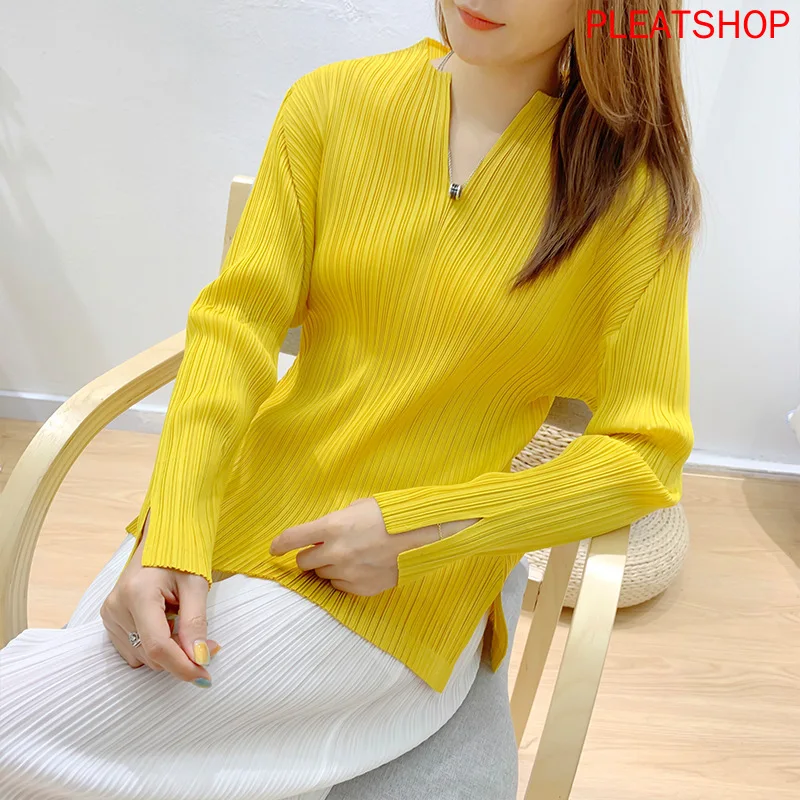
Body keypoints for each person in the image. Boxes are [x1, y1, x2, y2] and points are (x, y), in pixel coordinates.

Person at [0, 1, 701, 798]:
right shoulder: (329, 103)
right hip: (235, 511)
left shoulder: (630, 196)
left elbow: (646, 456)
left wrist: (420, 529)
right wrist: (173, 532)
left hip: (391, 593)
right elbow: (236, 323)